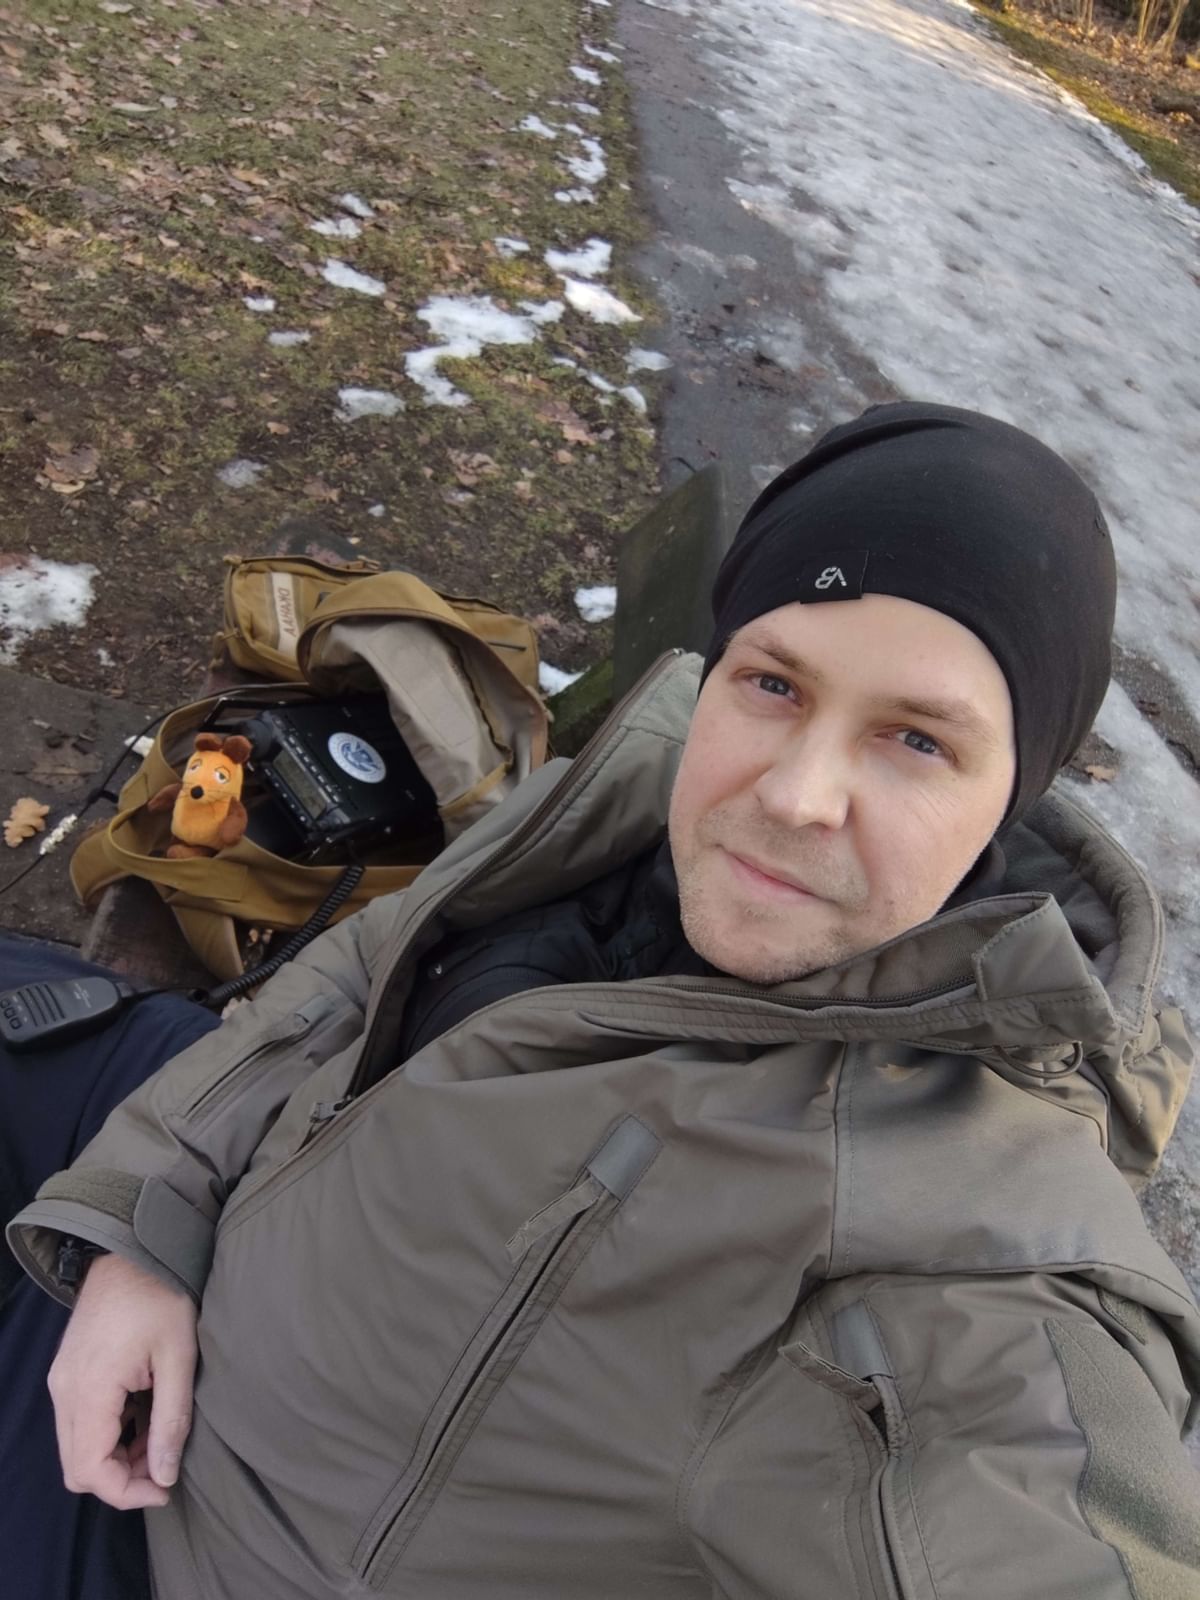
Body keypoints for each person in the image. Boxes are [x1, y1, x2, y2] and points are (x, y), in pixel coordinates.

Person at [8, 402, 1200, 1599]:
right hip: (182, 1246)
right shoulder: (625, 807)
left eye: (919, 741)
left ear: (1008, 803)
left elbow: (1046, 1502)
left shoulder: (973, 1245)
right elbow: (362, 970)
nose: (795, 795)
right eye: (774, 684)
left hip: (166, 1536)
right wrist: (143, 1216)